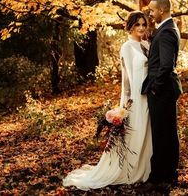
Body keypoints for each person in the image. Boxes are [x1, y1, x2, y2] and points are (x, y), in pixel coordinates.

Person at [63, 11, 152, 190]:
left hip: (149, 95)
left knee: (146, 133)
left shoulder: (147, 44)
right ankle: (128, 170)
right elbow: (126, 78)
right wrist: (125, 105)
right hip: (136, 96)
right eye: (137, 25)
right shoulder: (127, 47)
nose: (141, 28)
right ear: (130, 26)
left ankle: (146, 169)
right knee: (134, 133)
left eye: (143, 24)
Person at [140, 0, 182, 192]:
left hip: (162, 90)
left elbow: (166, 66)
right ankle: (169, 175)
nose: (150, 13)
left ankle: (159, 178)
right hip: (165, 89)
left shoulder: (166, 32)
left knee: (161, 134)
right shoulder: (167, 29)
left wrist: (155, 87)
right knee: (167, 133)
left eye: (152, 10)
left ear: (162, 10)